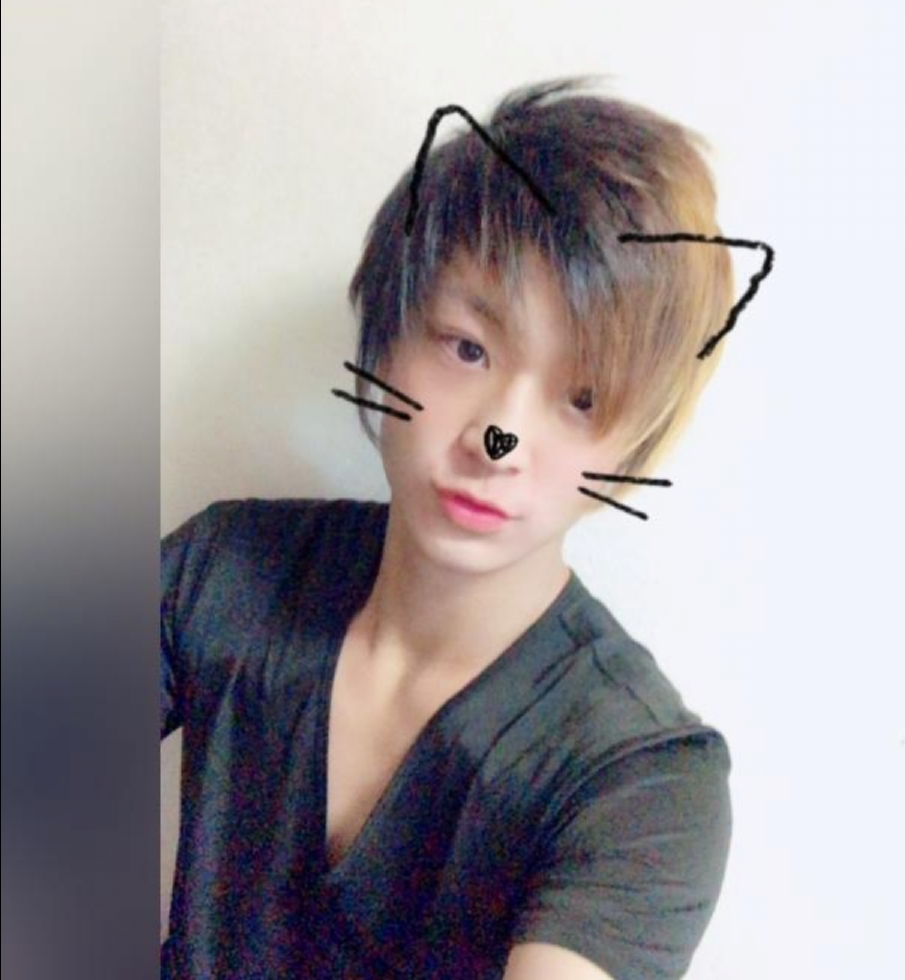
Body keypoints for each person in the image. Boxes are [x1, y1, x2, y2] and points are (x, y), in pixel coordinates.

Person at [160, 77, 736, 979]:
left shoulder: (640, 778)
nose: (499, 439)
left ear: (634, 444)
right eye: (468, 348)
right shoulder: (225, 570)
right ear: (388, 337)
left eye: (582, 397)